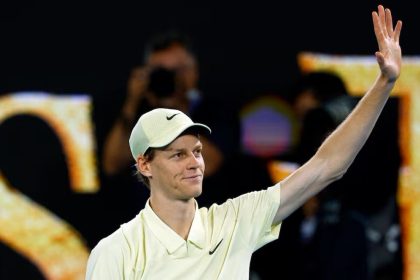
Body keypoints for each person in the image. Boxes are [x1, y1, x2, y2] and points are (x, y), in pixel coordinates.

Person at [86, 5, 402, 279]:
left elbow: (326, 166)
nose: (194, 162)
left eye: (196, 151)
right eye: (177, 155)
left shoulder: (233, 223)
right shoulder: (116, 252)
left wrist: (384, 84)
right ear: (145, 164)